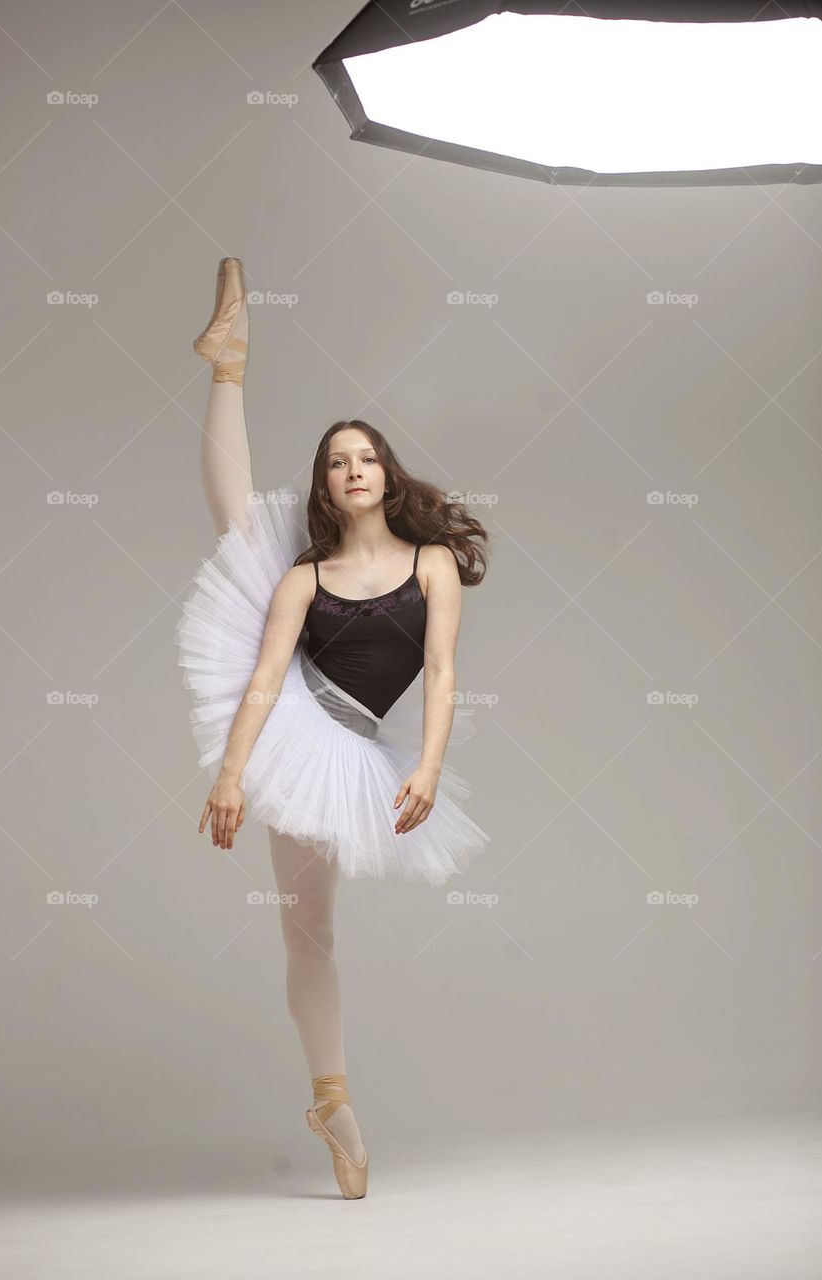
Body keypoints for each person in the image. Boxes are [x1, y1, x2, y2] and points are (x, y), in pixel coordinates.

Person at [175, 257, 491, 1199]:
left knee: (317, 935)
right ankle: (333, 1101)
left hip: (348, 735)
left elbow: (439, 672)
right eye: (335, 461)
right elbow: (267, 680)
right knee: (303, 934)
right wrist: (231, 774)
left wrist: (429, 766)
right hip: (290, 722)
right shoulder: (303, 576)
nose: (352, 470)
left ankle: (228, 361)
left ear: (386, 474)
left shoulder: (431, 562)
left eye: (366, 457)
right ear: (326, 483)